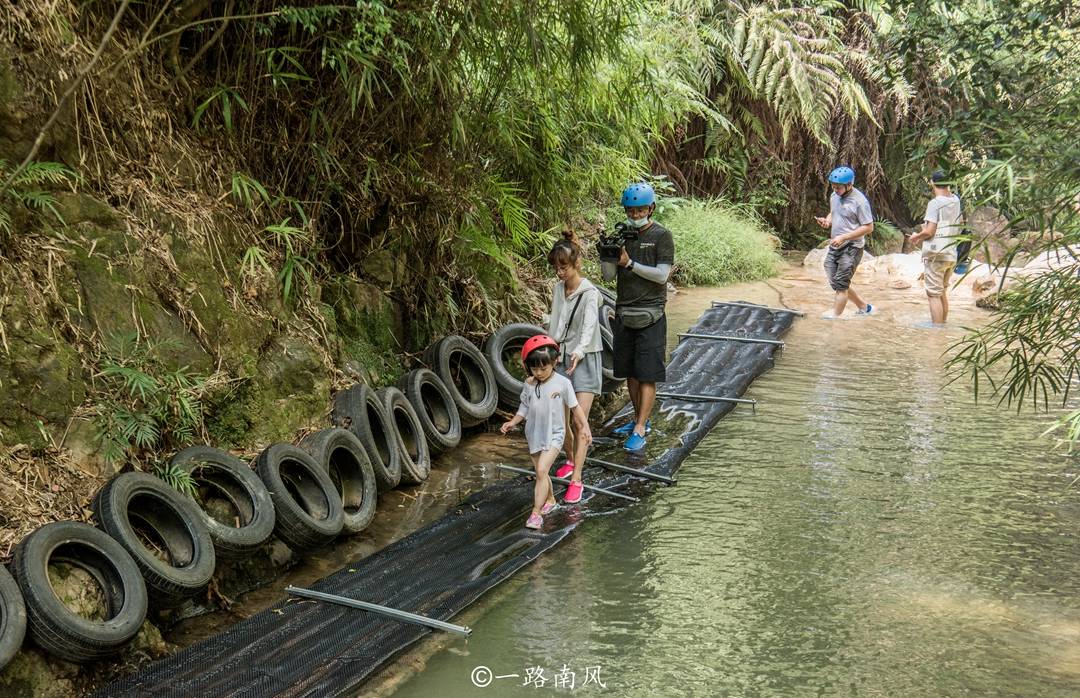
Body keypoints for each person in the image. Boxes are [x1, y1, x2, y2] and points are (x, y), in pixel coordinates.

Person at [601, 182, 674, 452]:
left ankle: (642, 428)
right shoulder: (622, 235)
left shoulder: (662, 235)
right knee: (630, 373)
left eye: (640, 209)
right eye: (630, 210)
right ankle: (637, 420)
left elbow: (662, 275)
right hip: (624, 312)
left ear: (651, 208)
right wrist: (607, 255)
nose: (634, 214)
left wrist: (629, 263)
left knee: (647, 375)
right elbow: (608, 277)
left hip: (651, 313)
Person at [500, 335, 593, 529]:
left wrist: (585, 427)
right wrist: (513, 422)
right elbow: (524, 408)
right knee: (541, 472)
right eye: (535, 368)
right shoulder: (528, 384)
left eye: (544, 368)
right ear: (528, 367)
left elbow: (575, 408)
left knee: (542, 470)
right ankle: (550, 500)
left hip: (555, 435)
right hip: (533, 433)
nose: (540, 372)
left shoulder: (562, 383)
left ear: (554, 362)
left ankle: (536, 513)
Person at [545, 232, 602, 504]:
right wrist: (550, 349)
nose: (559, 272)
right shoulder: (558, 289)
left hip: (586, 358)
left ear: (576, 263)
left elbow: (590, 326)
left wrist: (578, 352)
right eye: (556, 267)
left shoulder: (590, 292)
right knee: (561, 418)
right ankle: (569, 458)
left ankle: (577, 478)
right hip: (562, 357)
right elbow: (556, 323)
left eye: (564, 266)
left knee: (580, 420)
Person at [814, 166, 875, 318]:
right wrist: (827, 221)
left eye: (838, 187)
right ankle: (864, 307)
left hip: (852, 247)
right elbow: (834, 212)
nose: (835, 190)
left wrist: (844, 237)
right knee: (838, 281)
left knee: (841, 284)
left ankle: (835, 316)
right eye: (833, 186)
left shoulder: (860, 202)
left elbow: (868, 227)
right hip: (836, 245)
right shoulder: (834, 196)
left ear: (849, 184)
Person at [909, 169, 963, 325]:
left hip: (936, 255)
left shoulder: (935, 203)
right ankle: (942, 325)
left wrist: (916, 237)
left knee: (933, 294)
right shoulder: (955, 200)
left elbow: (930, 231)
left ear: (932, 182)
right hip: (951, 252)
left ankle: (936, 332)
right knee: (941, 292)